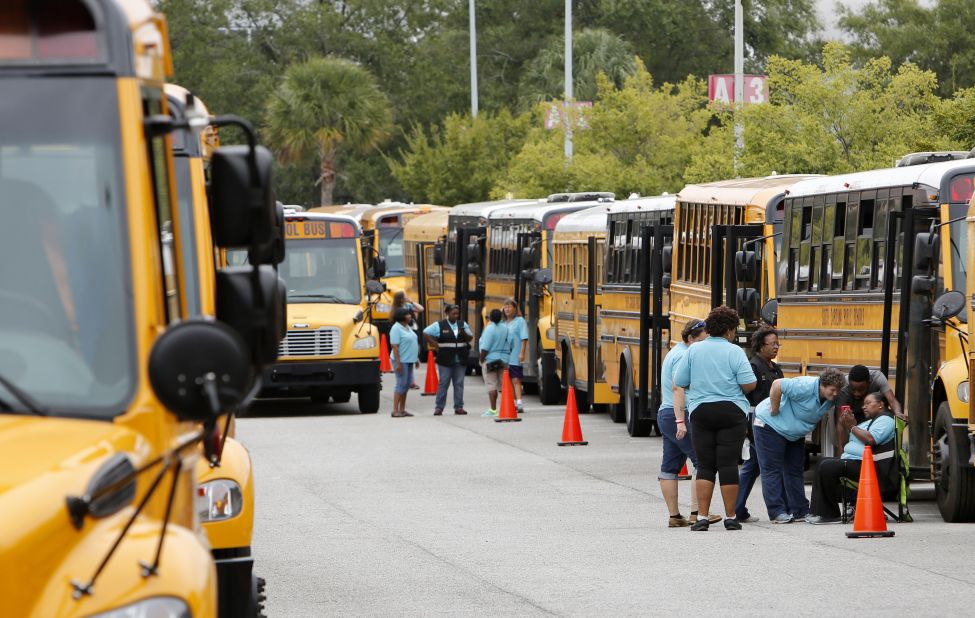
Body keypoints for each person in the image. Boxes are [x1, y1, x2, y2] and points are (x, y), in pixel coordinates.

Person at [673, 306, 757, 531]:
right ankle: (731, 517)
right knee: (728, 464)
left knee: (706, 465)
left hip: (701, 411)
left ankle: (701, 517)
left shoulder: (694, 350)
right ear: (729, 330)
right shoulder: (735, 352)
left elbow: (680, 379)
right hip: (732, 411)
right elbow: (749, 383)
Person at [752, 369, 846, 523]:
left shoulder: (830, 398)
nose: (835, 394)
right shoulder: (806, 385)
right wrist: (774, 409)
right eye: (832, 390)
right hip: (770, 424)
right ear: (822, 385)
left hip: (794, 432)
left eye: (838, 390)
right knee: (772, 469)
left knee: (795, 470)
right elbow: (777, 385)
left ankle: (800, 510)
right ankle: (777, 511)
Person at [806, 392, 896, 524]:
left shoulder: (886, 420)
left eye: (868, 403)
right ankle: (819, 512)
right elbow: (843, 443)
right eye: (864, 404)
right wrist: (843, 425)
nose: (864, 407)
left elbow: (871, 439)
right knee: (823, 462)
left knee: (827, 466)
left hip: (871, 466)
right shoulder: (869, 422)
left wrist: (852, 426)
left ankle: (830, 515)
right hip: (856, 462)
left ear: (881, 405)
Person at [657, 319, 709, 527]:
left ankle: (674, 516)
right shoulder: (683, 356)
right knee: (701, 461)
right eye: (702, 341)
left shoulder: (674, 351)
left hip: (666, 413)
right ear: (690, 339)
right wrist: (681, 421)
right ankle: (697, 512)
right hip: (678, 413)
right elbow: (678, 388)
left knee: (670, 466)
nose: (705, 346)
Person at [735, 326, 785, 523]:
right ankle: (777, 508)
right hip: (758, 423)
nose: (776, 347)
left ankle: (737, 509)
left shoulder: (774, 367)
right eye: (772, 344)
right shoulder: (753, 367)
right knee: (765, 467)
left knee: (752, 466)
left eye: (777, 343)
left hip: (774, 423)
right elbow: (746, 397)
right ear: (760, 346)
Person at [834, 365, 903, 449]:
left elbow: (892, 401)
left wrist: (898, 413)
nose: (857, 394)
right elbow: (841, 422)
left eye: (861, 390)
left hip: (870, 415)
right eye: (853, 390)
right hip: (852, 413)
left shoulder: (877, 378)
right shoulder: (843, 387)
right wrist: (841, 454)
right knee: (842, 421)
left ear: (869, 383)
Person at [423, 304, 473, 415]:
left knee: (459, 383)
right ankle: (439, 407)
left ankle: (459, 407)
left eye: (457, 313)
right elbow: (425, 332)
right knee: (443, 383)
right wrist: (435, 345)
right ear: (447, 313)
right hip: (445, 359)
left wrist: (463, 332)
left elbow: (470, 337)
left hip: (460, 359)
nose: (456, 316)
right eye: (453, 313)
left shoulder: (462, 324)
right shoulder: (439, 325)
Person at [388, 307, 419, 417]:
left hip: (409, 360)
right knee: (401, 384)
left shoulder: (407, 327)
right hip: (401, 361)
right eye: (407, 314)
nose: (410, 316)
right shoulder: (396, 328)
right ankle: (395, 410)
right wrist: (398, 364)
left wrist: (416, 359)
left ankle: (402, 409)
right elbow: (395, 347)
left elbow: (412, 343)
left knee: (406, 385)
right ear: (401, 316)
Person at [478, 308, 509, 417]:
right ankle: (508, 406)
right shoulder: (506, 328)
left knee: (491, 384)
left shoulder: (489, 329)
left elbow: (485, 347)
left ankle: (493, 409)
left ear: (490, 318)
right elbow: (511, 342)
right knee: (505, 384)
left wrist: (481, 360)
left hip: (490, 360)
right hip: (503, 360)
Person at [392, 290, 425, 389]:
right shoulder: (398, 310)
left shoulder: (408, 306)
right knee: (407, 358)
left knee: (411, 357)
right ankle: (408, 382)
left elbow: (421, 309)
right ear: (401, 299)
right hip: (406, 333)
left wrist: (411, 301)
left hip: (413, 331)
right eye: (404, 296)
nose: (406, 297)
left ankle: (410, 382)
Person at [502, 298, 529, 414]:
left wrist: (522, 352)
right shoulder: (502, 323)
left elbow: (524, 338)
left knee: (516, 379)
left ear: (515, 308)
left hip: (515, 355)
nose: (507, 309)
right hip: (503, 356)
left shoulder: (520, 321)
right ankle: (512, 402)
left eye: (509, 306)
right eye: (505, 306)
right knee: (507, 380)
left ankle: (519, 402)